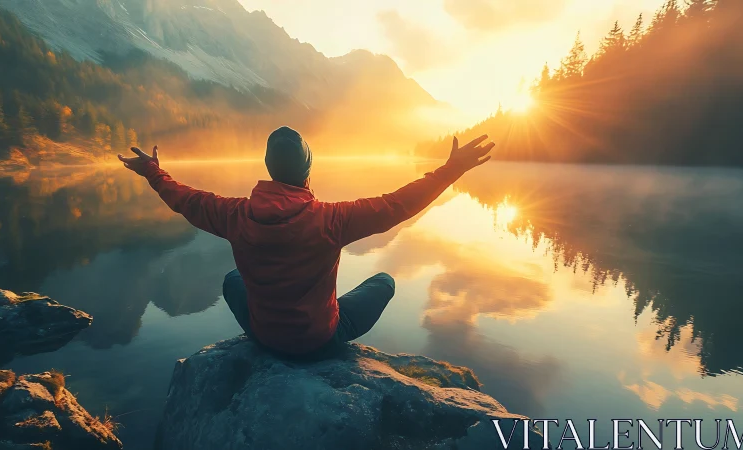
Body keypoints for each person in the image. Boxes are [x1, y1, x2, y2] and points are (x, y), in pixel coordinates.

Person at [118, 127, 494, 358]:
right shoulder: (331, 220)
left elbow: (186, 200)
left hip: (263, 336)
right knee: (384, 281)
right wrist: (451, 170)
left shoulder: (234, 214)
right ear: (307, 171)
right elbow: (396, 205)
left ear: (270, 168)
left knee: (232, 280)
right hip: (318, 341)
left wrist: (153, 171)